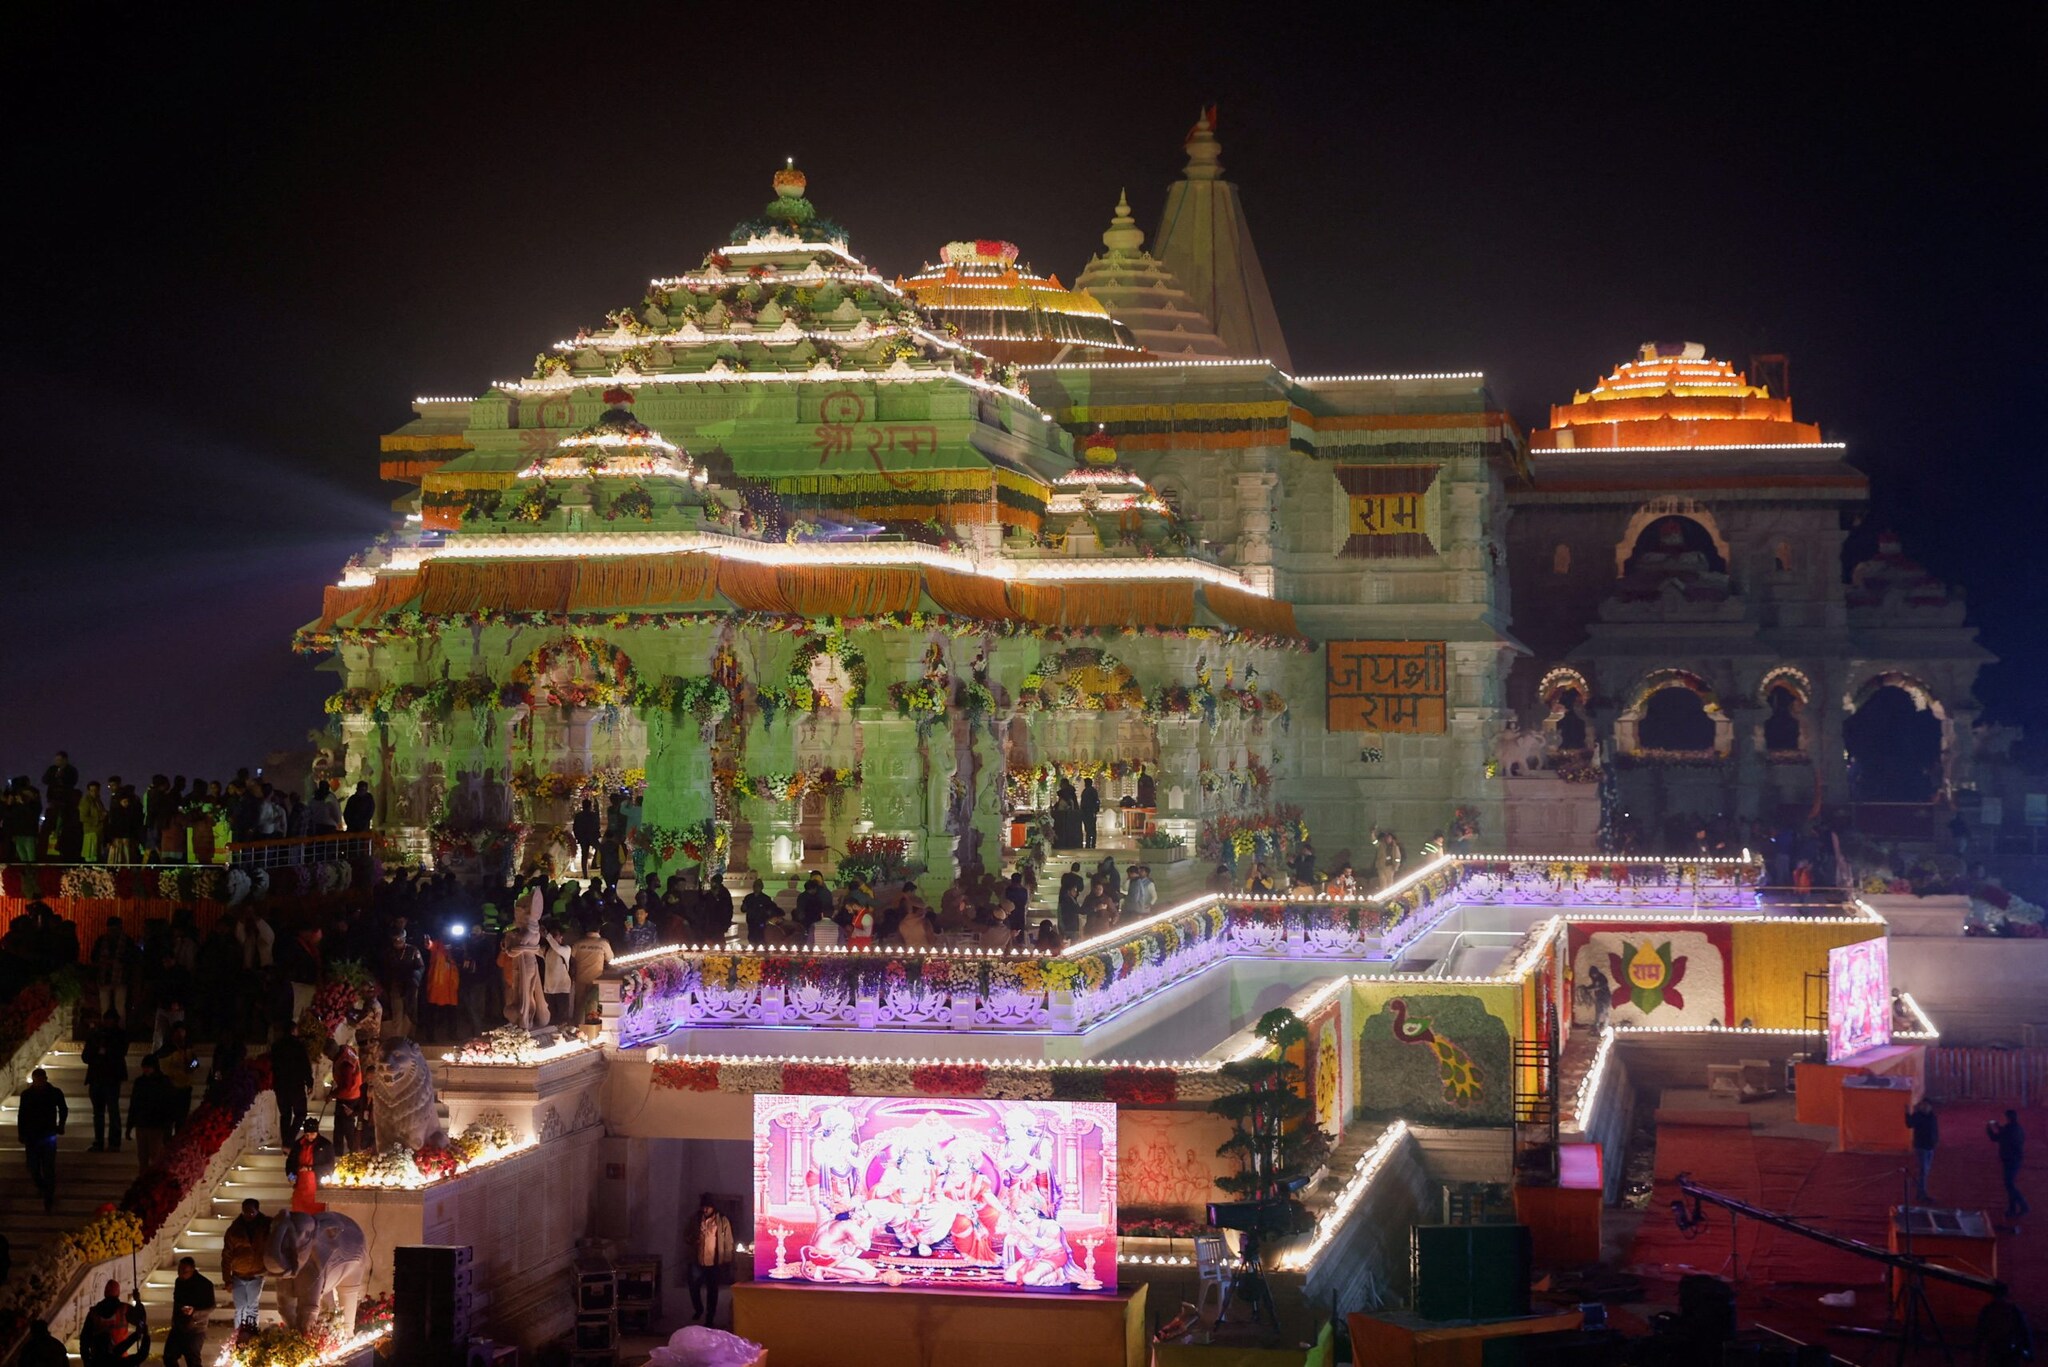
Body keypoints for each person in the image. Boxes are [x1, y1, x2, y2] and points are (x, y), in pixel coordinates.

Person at [17, 1066, 67, 1212]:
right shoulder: (26, 1095)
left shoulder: (54, 1093)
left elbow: (63, 1108)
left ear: (45, 1079)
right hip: (32, 1137)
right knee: (33, 1167)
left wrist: (61, 1125)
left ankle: (48, 1198)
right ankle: (43, 1187)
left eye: (40, 1080)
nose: (38, 1082)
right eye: (36, 1080)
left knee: (48, 1168)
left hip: (47, 1135)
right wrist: (21, 1133)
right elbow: (22, 1115)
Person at [220, 1198, 272, 1330]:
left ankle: (251, 1334)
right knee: (240, 1308)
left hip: (256, 1273)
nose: (248, 1216)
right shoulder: (234, 1230)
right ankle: (238, 1335)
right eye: (246, 1212)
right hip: (238, 1274)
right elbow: (226, 1255)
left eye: (251, 1213)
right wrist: (227, 1279)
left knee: (252, 1307)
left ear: (257, 1211)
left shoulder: (265, 1226)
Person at [82, 1009, 129, 1153]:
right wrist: (97, 1051)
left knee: (112, 1111)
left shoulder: (120, 1035)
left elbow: (119, 1053)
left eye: (111, 1020)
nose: (108, 1023)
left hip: (111, 1078)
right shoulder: (95, 1035)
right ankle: (99, 1142)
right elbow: (85, 1056)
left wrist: (105, 1052)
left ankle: (114, 1142)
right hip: (97, 1077)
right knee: (99, 1112)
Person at [126, 1054, 179, 1171]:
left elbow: (169, 1105)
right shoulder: (140, 1082)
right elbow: (134, 1103)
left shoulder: (164, 1082)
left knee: (155, 1156)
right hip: (142, 1124)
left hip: (156, 1126)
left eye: (148, 1067)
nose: (145, 1070)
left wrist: (167, 1127)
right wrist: (130, 1125)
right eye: (144, 1067)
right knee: (142, 1157)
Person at [688, 1192, 735, 1326]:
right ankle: (698, 1309)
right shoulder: (696, 1219)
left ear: (713, 1207)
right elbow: (686, 1235)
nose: (705, 1210)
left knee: (712, 1291)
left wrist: (727, 1258)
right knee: (694, 1286)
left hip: (714, 1262)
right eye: (703, 1207)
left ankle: (710, 1318)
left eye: (708, 1207)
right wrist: (693, 1240)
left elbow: (728, 1241)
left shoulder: (722, 1220)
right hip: (698, 1261)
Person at [79, 1280, 147, 1367]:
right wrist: (138, 1301)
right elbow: (141, 1320)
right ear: (118, 1293)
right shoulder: (124, 1309)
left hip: (98, 1360)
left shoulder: (94, 1312)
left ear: (105, 1293)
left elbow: (84, 1339)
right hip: (120, 1358)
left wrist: (86, 1359)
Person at [164, 1258, 216, 1367]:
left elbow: (211, 1307)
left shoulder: (205, 1284)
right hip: (179, 1325)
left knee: (192, 1360)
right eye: (179, 1270)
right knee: (169, 1356)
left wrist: (194, 1312)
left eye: (184, 1271)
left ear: (193, 1270)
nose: (181, 1274)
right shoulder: (179, 1281)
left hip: (196, 1328)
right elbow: (177, 1301)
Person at [269, 1025, 312, 1140]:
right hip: (296, 1085)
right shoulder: (298, 1046)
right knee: (301, 1113)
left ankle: (285, 1142)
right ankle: (289, 1140)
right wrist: (309, 1083)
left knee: (285, 1115)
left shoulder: (276, 1046)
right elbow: (305, 1066)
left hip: (280, 1085)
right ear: (294, 1031)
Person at [286, 1115, 336, 1213]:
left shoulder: (325, 1145)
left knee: (317, 1210)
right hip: (301, 1183)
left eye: (312, 1134)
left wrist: (310, 1168)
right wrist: (290, 1175)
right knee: (299, 1211)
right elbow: (290, 1162)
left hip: (316, 1184)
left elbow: (330, 1165)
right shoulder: (298, 1144)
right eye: (307, 1135)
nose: (310, 1137)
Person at [1976, 1284, 2035, 1367]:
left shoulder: (1987, 1309)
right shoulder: (2014, 1309)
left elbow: (1980, 1332)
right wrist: (2029, 1352)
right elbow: (2025, 1330)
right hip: (2011, 1349)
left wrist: (1977, 1350)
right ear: (2007, 1293)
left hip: (1993, 1350)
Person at [91, 916, 136, 1020]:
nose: (113, 932)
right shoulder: (102, 940)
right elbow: (93, 957)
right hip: (105, 977)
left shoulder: (126, 941)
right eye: (111, 929)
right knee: (105, 1007)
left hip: (120, 978)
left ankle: (118, 1030)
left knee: (119, 1007)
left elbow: (132, 958)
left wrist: (119, 962)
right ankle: (107, 1029)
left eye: (115, 929)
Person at [1990, 1109, 2030, 1220]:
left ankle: (2023, 1205)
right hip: (2015, 1159)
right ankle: (2012, 1208)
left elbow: (1995, 1138)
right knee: (2009, 1184)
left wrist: (1989, 1128)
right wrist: (1998, 1127)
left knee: (2009, 1184)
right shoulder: (2017, 1128)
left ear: (2008, 1118)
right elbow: (2005, 1133)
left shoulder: (2008, 1130)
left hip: (2010, 1159)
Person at [571, 925, 615, 1023]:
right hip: (596, 979)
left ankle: (577, 1027)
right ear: (598, 929)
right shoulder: (603, 943)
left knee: (579, 1004)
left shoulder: (578, 943)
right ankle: (590, 1028)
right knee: (592, 1004)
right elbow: (611, 958)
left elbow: (571, 958)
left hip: (580, 978)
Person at [329, 1038, 366, 1155]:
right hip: (351, 1094)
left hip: (348, 1097)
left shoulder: (345, 1064)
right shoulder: (346, 1050)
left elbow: (346, 1085)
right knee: (340, 1127)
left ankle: (352, 1152)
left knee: (345, 1127)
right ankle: (339, 1152)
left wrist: (332, 1094)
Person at [1907, 1099, 1939, 1202]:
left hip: (1930, 1147)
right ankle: (1921, 1193)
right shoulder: (1918, 1116)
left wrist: (1935, 1141)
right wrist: (1907, 1113)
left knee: (1926, 1169)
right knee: (1924, 1170)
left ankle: (1919, 1186)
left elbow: (1935, 1130)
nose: (1924, 1107)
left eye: (1926, 1105)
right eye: (1923, 1105)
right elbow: (1909, 1124)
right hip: (1922, 1147)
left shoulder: (1932, 1116)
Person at [742, 879, 777, 945]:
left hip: (761, 921)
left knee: (761, 937)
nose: (756, 888)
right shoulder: (748, 897)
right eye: (755, 886)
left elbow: (770, 910)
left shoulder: (766, 898)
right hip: (751, 921)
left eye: (758, 886)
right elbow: (743, 909)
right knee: (751, 937)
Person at [572, 799, 601, 876]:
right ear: (589, 806)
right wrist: (597, 835)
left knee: (584, 855)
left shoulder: (578, 815)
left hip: (583, 837)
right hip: (592, 836)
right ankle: (594, 864)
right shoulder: (593, 815)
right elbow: (596, 826)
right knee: (599, 849)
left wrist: (578, 837)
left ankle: (585, 873)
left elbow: (575, 827)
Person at [1079, 778, 1101, 849]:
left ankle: (1090, 844)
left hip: (1088, 812)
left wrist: (1094, 810)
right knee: (1091, 829)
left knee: (1089, 829)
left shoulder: (1087, 791)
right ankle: (1091, 844)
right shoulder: (1091, 791)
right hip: (1089, 812)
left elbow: (1096, 801)